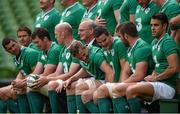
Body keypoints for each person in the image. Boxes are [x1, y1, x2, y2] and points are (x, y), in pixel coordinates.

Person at [118, 13, 180, 113]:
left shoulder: (167, 42)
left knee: (131, 90)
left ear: (164, 26)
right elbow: (159, 64)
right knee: (121, 89)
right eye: (151, 25)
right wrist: (153, 75)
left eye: (156, 25)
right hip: (158, 83)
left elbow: (174, 68)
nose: (152, 28)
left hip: (168, 86)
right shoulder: (154, 43)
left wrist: (156, 78)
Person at [110, 21, 154, 113]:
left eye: (120, 37)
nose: (119, 39)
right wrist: (121, 83)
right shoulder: (131, 48)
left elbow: (139, 75)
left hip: (149, 84)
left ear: (126, 36)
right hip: (138, 83)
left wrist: (121, 85)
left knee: (116, 90)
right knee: (110, 89)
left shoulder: (141, 48)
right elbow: (126, 71)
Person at [64, 40, 114, 113]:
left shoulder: (96, 55)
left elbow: (109, 72)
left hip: (108, 79)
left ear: (84, 47)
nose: (84, 58)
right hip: (99, 79)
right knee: (77, 87)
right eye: (80, 58)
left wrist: (103, 90)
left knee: (85, 95)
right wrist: (71, 79)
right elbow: (85, 69)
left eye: (84, 55)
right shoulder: (81, 56)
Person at [44, 22, 80, 113]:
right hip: (66, 80)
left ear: (63, 34)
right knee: (51, 83)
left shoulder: (76, 46)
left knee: (52, 84)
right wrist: (44, 78)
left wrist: (47, 79)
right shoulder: (63, 49)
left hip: (76, 80)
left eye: (56, 34)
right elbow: (57, 73)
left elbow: (71, 74)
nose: (55, 37)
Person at [27, 28, 64, 112]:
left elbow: (47, 73)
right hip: (49, 81)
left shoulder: (55, 49)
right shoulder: (42, 51)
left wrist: (30, 80)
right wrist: (26, 80)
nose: (36, 45)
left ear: (45, 39)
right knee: (29, 84)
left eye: (37, 42)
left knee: (30, 85)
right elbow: (37, 72)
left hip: (59, 83)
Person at [93, 26, 127, 113]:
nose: (103, 44)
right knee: (96, 95)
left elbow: (125, 68)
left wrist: (119, 85)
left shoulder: (118, 44)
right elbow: (109, 71)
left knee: (103, 92)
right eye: (100, 42)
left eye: (104, 40)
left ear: (109, 35)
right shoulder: (104, 48)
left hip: (124, 82)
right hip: (114, 82)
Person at [2, 37, 40, 113]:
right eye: (9, 48)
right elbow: (22, 72)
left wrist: (22, 83)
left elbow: (37, 73)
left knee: (19, 90)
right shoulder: (15, 58)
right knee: (2, 92)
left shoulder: (29, 53)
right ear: (6, 51)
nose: (13, 49)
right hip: (27, 81)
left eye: (13, 45)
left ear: (17, 42)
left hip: (37, 81)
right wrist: (15, 82)